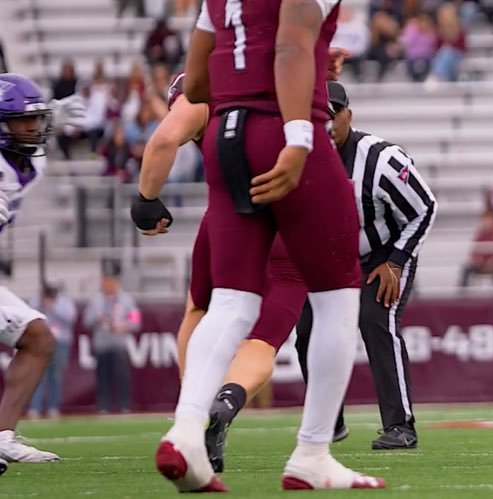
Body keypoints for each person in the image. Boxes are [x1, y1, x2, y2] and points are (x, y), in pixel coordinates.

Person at [136, 0, 383, 491]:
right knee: (338, 296)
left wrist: (306, 62)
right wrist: (296, 136)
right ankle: (312, 452)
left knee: (229, 301)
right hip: (285, 130)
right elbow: (289, 44)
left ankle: (185, 431)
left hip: (227, 135)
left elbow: (201, 82)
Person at [292, 80, 436, 451]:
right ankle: (329, 418)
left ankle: (401, 425)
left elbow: (425, 207)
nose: (326, 122)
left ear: (348, 116)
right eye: (317, 115)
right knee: (307, 330)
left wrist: (397, 261)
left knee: (376, 319)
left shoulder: (381, 159)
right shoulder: (299, 156)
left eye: (333, 114)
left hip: (384, 254)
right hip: (333, 259)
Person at [0, 73, 81, 463]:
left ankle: (1, 436)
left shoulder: (35, 161)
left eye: (38, 119)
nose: (34, 127)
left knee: (38, 338)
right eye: (23, 120)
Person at [85, 272, 140, 414]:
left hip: (119, 343)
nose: (108, 286)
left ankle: (124, 405)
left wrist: (124, 326)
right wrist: (98, 318)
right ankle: (103, 405)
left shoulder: (126, 300)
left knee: (122, 375)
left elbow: (136, 321)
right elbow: (86, 320)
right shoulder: (96, 300)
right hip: (101, 344)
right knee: (102, 376)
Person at [28, 284, 76, 420]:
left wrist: (53, 307)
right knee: (38, 376)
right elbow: (29, 316)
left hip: (60, 342)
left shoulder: (64, 301)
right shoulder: (37, 300)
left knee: (55, 375)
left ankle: (53, 407)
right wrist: (42, 304)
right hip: (40, 341)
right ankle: (35, 408)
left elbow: (70, 317)